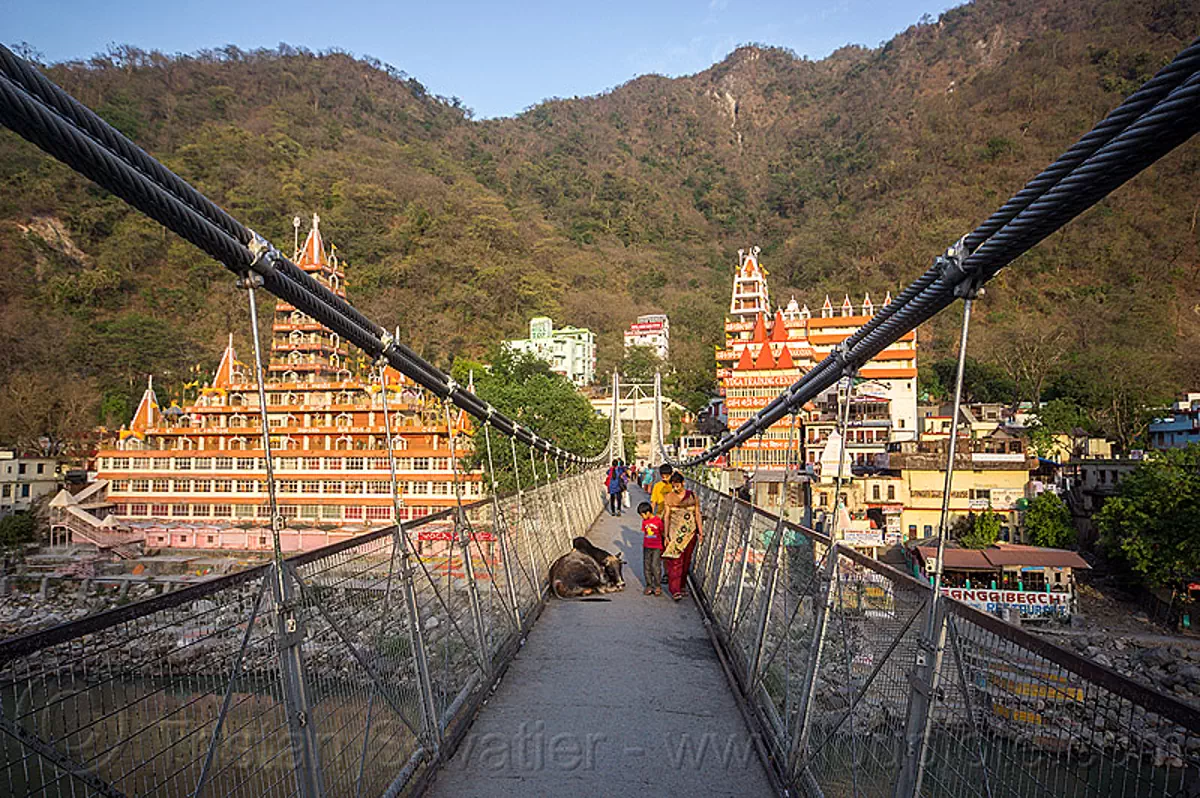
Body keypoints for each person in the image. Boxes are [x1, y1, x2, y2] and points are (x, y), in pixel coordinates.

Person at [661, 472, 702, 601]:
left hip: (690, 534)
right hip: (674, 534)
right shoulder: (668, 497)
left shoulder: (693, 496)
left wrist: (701, 532)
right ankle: (675, 590)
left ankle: (682, 585)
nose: (676, 488)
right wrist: (666, 535)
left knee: (686, 562)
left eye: (677, 485)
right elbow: (667, 517)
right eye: (673, 485)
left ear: (683, 483)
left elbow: (697, 514)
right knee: (675, 562)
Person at [637, 501, 663, 596]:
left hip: (657, 546)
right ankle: (649, 585)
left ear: (648, 512)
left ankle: (657, 585)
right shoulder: (645, 522)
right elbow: (645, 532)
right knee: (647, 566)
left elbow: (662, 532)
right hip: (647, 546)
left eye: (642, 514)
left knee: (655, 566)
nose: (642, 517)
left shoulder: (658, 521)